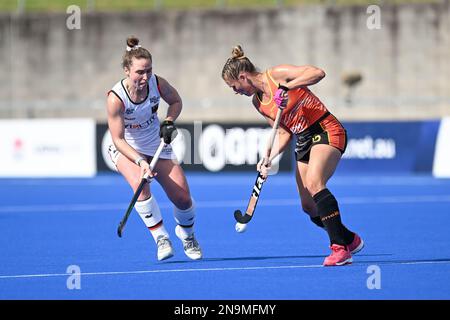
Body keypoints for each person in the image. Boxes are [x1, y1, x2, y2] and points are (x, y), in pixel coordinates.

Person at [221, 45, 364, 266]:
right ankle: (348, 238)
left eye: (234, 86)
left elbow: (318, 73)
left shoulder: (276, 75)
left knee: (315, 183)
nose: (235, 91)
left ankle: (339, 249)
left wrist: (288, 87)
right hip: (303, 139)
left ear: (242, 77)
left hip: (324, 128)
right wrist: (269, 156)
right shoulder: (257, 103)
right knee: (308, 205)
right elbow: (283, 132)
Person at [106, 36, 202, 261]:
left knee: (183, 199)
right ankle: (161, 238)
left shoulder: (157, 83)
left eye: (148, 70)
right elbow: (118, 139)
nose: (145, 76)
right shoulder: (116, 99)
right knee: (142, 187)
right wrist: (140, 162)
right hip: (126, 149)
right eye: (140, 72)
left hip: (156, 144)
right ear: (127, 70)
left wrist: (168, 121)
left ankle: (187, 235)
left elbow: (176, 101)